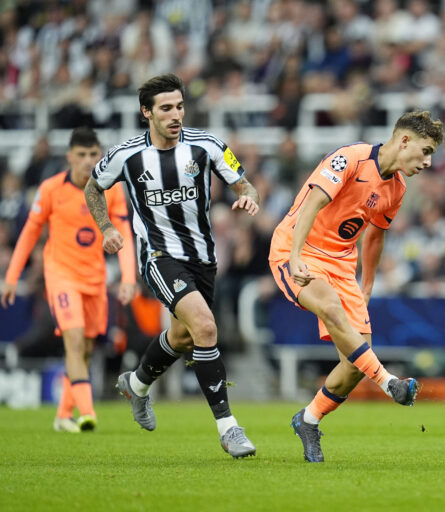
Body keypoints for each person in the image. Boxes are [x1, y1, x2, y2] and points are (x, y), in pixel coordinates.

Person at [83, 73, 261, 459]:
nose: (175, 114)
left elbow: (246, 184)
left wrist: (248, 198)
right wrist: (107, 227)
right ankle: (229, 429)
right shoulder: (126, 155)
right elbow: (92, 188)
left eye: (179, 106)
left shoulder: (207, 146)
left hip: (203, 259)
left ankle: (137, 385)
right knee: (206, 327)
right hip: (159, 257)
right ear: (147, 112)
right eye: (166, 108)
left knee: (183, 338)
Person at [269, 110, 444, 462]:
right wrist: (297, 256)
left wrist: (366, 286)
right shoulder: (350, 158)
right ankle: (390, 383)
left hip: (342, 265)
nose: (427, 162)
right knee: (333, 311)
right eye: (425, 151)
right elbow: (311, 204)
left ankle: (308, 419)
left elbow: (375, 237)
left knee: (353, 365)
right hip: (297, 249)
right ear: (404, 140)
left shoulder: (396, 188)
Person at [1, 127, 136, 433]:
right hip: (61, 275)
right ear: (70, 157)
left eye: (93, 154)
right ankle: (88, 414)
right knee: (73, 339)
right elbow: (30, 233)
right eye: (82, 155)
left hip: (95, 279)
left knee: (86, 348)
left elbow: (124, 233)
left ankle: (63, 416)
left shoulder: (111, 190)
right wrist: (11, 276)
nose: (88, 161)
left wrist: (128, 277)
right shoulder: (51, 189)